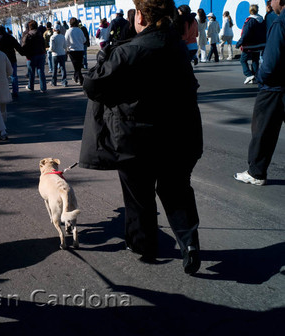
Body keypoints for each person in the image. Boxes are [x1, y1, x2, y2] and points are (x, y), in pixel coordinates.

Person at [79, 0, 203, 275]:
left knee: (138, 194)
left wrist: (105, 54)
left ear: (141, 18)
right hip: (180, 133)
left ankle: (142, 244)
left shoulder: (128, 51)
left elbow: (94, 84)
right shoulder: (176, 46)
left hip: (136, 135)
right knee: (177, 189)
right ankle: (189, 242)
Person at [234, 0, 285, 186]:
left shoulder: (280, 23)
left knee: (263, 131)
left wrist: (261, 77)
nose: (269, 3)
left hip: (274, 87)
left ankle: (256, 172)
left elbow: (271, 62)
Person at [236, 4, 266, 85]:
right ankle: (255, 77)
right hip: (258, 45)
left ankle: (248, 74)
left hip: (249, 45)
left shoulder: (250, 21)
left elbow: (245, 34)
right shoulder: (261, 20)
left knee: (243, 60)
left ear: (250, 10)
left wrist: (239, 43)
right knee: (255, 60)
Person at [0, 25, 24, 98]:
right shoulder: (10, 37)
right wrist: (23, 52)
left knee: (3, 77)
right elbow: (17, 46)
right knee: (13, 75)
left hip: (1, 60)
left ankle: (5, 91)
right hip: (12, 59)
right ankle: (15, 91)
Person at [22, 20, 47, 93]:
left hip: (31, 56)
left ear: (29, 27)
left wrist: (25, 53)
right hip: (41, 54)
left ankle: (31, 86)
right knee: (41, 71)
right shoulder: (40, 34)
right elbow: (43, 43)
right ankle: (43, 88)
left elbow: (23, 46)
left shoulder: (27, 35)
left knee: (31, 72)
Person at [65, 17, 86, 85]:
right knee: (78, 65)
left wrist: (66, 48)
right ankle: (76, 77)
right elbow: (84, 40)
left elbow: (66, 41)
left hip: (72, 50)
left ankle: (80, 78)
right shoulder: (80, 30)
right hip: (80, 49)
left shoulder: (68, 31)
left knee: (76, 66)